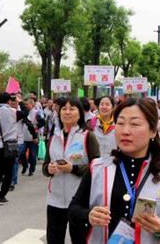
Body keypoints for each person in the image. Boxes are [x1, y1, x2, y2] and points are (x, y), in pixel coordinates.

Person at [69, 98, 160, 243]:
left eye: (135, 124)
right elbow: (74, 209)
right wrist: (88, 216)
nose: (125, 131)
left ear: (152, 131)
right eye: (120, 123)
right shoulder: (98, 168)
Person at [42, 98, 100, 244]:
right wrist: (49, 169)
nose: (67, 112)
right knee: (54, 239)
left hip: (79, 200)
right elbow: (45, 166)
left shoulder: (87, 136)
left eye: (72, 108)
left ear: (80, 114)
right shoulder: (54, 138)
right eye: (64, 109)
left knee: (79, 239)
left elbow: (96, 167)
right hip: (55, 199)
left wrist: (73, 168)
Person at [0, 92, 36, 205]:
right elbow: (25, 112)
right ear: (9, 101)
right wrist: (20, 101)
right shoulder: (13, 112)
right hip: (10, 145)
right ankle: (2, 196)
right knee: (9, 172)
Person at [20, 97, 45, 176]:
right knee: (21, 153)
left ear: (32, 104)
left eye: (27, 104)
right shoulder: (23, 113)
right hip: (23, 136)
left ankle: (32, 169)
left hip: (33, 137)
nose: (26, 106)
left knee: (33, 155)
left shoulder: (36, 113)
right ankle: (25, 166)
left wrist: (36, 126)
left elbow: (43, 122)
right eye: (25, 104)